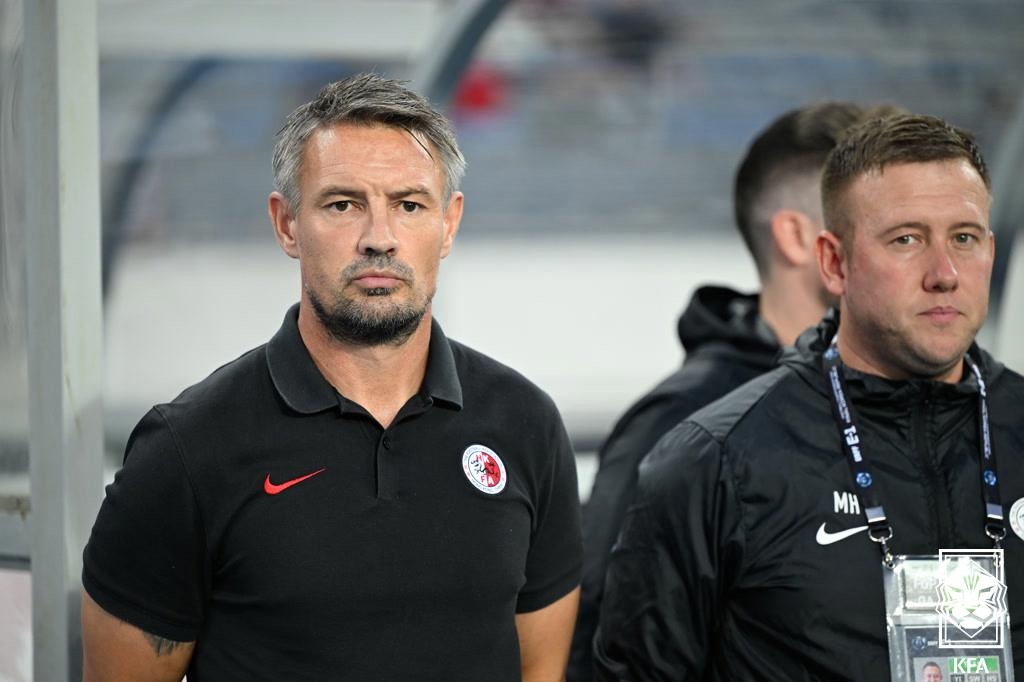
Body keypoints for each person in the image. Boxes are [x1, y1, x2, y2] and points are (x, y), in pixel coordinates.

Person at [80, 74, 582, 682]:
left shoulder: (526, 424)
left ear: (448, 224)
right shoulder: (185, 451)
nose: (379, 239)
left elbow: (540, 670)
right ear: (287, 224)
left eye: (409, 205)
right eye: (343, 204)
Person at [593, 112, 1024, 680]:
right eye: (907, 239)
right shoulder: (715, 461)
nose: (944, 273)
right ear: (834, 262)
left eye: (964, 238)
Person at [569, 101, 900, 680]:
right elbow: (599, 640)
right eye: (891, 227)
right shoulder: (682, 424)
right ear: (799, 237)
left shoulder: (924, 404)